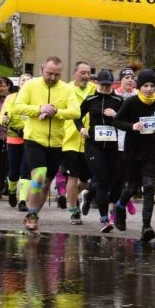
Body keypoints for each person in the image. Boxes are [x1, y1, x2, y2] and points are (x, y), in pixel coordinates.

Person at [11, 56, 79, 231]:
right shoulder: (31, 85)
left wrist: (55, 112)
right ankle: (32, 215)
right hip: (34, 139)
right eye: (49, 73)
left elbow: (75, 112)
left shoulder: (66, 89)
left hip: (56, 142)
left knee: (47, 183)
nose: (53, 78)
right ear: (42, 69)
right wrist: (39, 108)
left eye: (57, 74)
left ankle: (33, 213)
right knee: (38, 177)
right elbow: (18, 107)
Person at [113, 69, 155, 244]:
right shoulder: (131, 102)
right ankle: (120, 206)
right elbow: (117, 121)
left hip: (150, 151)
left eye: (152, 85)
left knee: (149, 187)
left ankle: (146, 227)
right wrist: (132, 126)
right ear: (139, 86)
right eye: (145, 86)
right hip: (133, 151)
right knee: (133, 188)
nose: (149, 89)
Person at [79, 69, 123, 233]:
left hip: (112, 145)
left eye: (109, 85)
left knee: (109, 179)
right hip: (93, 144)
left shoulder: (118, 100)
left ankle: (89, 195)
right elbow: (77, 116)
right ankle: (104, 219)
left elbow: (127, 120)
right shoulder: (91, 99)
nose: (106, 88)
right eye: (103, 85)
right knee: (102, 179)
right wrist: (82, 128)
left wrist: (116, 115)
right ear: (97, 83)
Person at [58, 61, 95, 224]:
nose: (86, 76)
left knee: (85, 180)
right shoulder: (65, 89)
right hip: (69, 140)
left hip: (89, 141)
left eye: (88, 73)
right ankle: (73, 211)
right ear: (74, 73)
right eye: (82, 73)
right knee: (72, 177)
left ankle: (70, 196)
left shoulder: (94, 89)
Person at [0, 73, 32, 210]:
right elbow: (4, 114)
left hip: (30, 138)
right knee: (13, 172)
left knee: (26, 170)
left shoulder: (35, 99)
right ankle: (12, 191)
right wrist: (4, 120)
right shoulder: (11, 98)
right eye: (23, 80)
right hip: (13, 136)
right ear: (19, 83)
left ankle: (23, 200)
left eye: (28, 80)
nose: (25, 82)